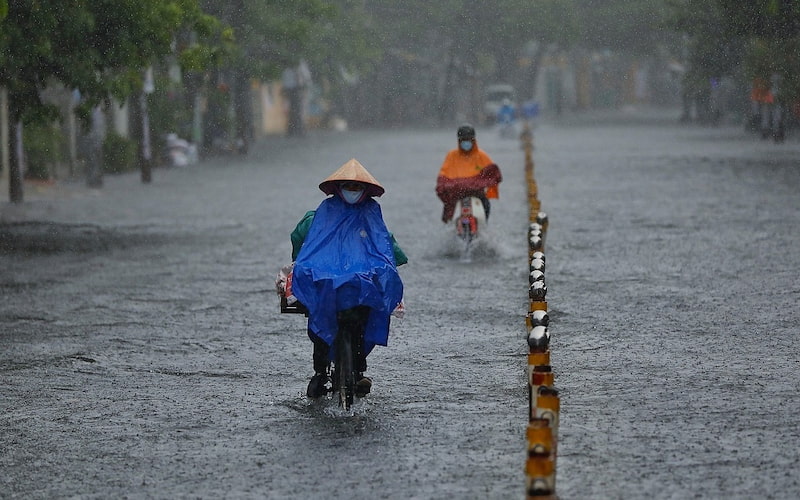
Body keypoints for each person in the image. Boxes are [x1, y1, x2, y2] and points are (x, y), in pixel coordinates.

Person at [290, 158, 407, 399]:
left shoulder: (371, 214)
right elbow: (304, 247)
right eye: (348, 186)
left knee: (361, 321)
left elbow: (385, 245)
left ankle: (355, 368)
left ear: (365, 191)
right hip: (327, 282)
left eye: (357, 187)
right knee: (322, 319)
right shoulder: (319, 216)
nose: (352, 192)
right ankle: (321, 372)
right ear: (338, 187)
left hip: (359, 287)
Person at [436, 124, 503, 223]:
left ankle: (483, 225)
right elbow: (444, 173)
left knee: (486, 206)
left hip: (477, 195)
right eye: (463, 140)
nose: (466, 143)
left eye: (468, 140)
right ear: (459, 141)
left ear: (473, 140)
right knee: (449, 212)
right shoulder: (452, 156)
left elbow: (492, 172)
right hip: (457, 195)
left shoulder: (481, 156)